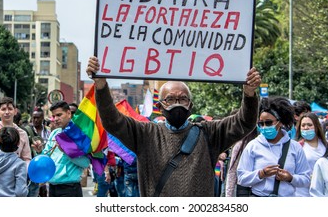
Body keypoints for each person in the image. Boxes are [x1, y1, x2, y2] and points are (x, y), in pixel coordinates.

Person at [86, 56, 261, 197]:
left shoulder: (210, 133)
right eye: (170, 99)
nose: (177, 103)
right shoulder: (145, 134)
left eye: (183, 99)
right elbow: (112, 121)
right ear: (160, 107)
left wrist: (249, 94)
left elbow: (244, 122)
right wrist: (101, 86)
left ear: (190, 105)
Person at [236, 96, 311, 197]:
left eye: (268, 122)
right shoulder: (253, 146)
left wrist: (290, 178)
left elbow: (306, 179)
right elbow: (241, 178)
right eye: (261, 124)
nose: (264, 127)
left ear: (280, 122)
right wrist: (261, 174)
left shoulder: (295, 147)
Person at [32, 101, 90, 197]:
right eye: (54, 116)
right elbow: (46, 158)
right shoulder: (55, 134)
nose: (56, 119)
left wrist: (67, 152)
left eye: (59, 115)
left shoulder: (79, 135)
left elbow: (85, 163)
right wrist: (39, 151)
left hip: (70, 188)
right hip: (52, 187)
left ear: (68, 113)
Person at [0, 97, 31, 197]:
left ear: (15, 111)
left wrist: (24, 172)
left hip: (14, 183)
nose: (7, 112)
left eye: (10, 109)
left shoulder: (22, 133)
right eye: (3, 109)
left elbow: (27, 159)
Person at [294, 112, 327, 196]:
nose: (306, 128)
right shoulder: (297, 147)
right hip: (302, 192)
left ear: (316, 126)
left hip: (322, 191)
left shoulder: (325, 146)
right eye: (303, 125)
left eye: (309, 125)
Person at [225, 127, 258, 197]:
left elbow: (232, 171)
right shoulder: (240, 145)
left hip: (252, 187)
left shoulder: (261, 145)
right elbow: (233, 171)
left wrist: (228, 194)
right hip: (247, 188)